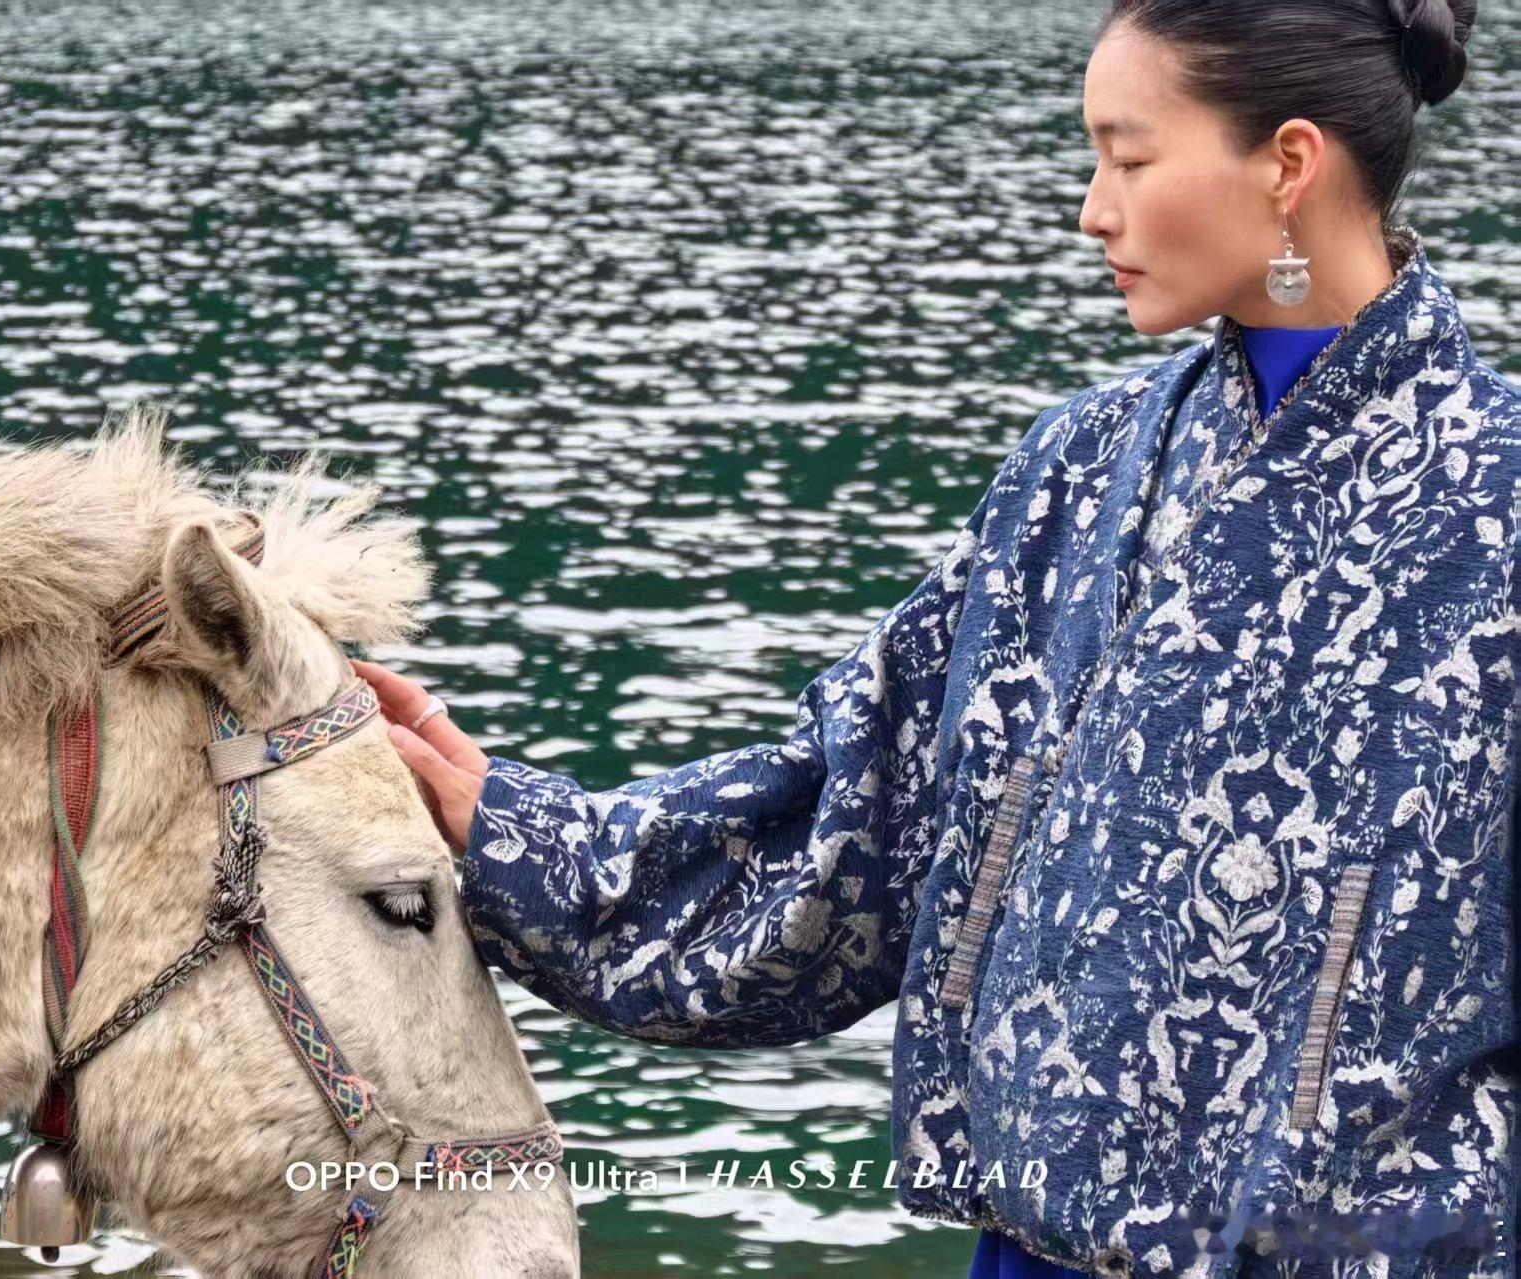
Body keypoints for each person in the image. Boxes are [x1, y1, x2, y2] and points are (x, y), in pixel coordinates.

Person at [352, 0, 1520, 1272]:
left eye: (1128, 158)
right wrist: (513, 829)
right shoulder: (1078, 471)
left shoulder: (1495, 506)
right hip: (1030, 1248)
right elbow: (849, 815)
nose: (1092, 210)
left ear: (1286, 163)